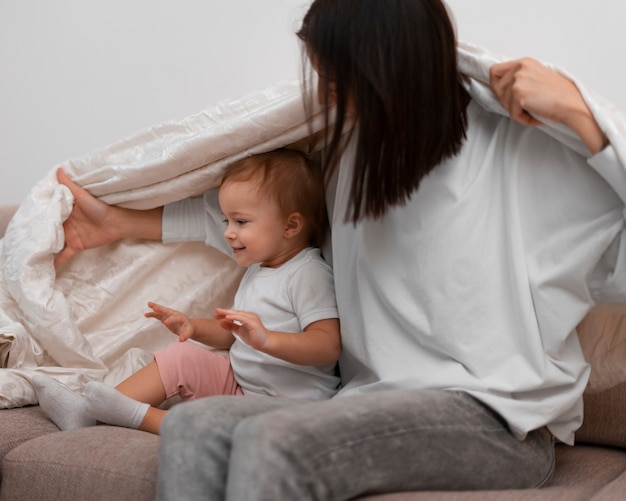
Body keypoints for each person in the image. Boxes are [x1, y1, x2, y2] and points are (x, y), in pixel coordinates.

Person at [48, 0, 626, 498]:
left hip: (497, 420)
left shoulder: (526, 153)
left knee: (276, 442)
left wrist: (583, 118)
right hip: (361, 403)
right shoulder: (353, 155)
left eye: (337, 81)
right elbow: (257, 217)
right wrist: (118, 223)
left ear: (385, 73)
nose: (324, 97)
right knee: (194, 428)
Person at [33, 148, 341, 435]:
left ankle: (129, 414)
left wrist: (268, 339)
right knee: (182, 356)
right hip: (241, 383)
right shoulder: (258, 270)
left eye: (241, 221)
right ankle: (89, 412)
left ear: (291, 226)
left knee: (223, 423)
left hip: (290, 405)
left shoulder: (307, 273)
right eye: (227, 220)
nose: (228, 232)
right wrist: (193, 326)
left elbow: (327, 345)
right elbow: (230, 335)